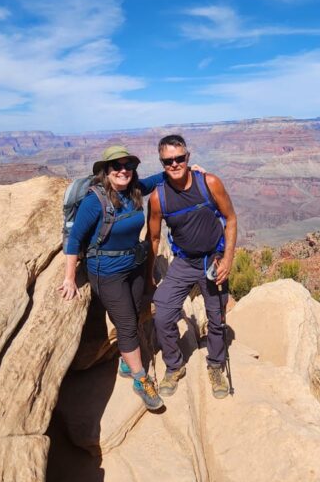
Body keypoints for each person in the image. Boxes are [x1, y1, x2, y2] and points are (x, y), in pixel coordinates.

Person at [59, 144, 165, 410]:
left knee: (137, 309)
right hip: (106, 273)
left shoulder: (135, 189)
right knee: (127, 324)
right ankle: (141, 379)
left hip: (134, 265)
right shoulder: (95, 201)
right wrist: (70, 277)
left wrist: (187, 171)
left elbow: (158, 179)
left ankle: (125, 362)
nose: (123, 171)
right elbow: (75, 240)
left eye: (128, 166)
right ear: (105, 171)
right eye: (116, 166)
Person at [147, 134, 237, 400]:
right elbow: (153, 238)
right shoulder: (158, 198)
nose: (174, 164)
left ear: (188, 157)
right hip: (184, 262)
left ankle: (216, 366)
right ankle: (174, 366)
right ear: (162, 163)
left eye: (179, 158)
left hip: (213, 259)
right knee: (162, 313)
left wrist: (228, 259)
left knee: (217, 318)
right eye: (168, 161)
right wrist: (150, 272)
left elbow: (230, 219)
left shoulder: (209, 183)